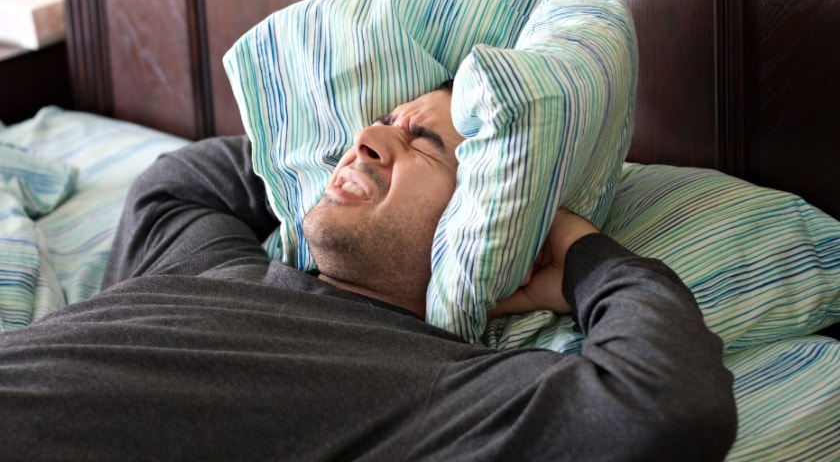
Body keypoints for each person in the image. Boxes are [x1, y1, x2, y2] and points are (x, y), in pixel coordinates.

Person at [0, 86, 737, 461]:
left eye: (426, 144)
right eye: (378, 121)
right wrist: (328, 165)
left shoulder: (438, 387)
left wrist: (575, 249)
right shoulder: (209, 260)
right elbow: (180, 182)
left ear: (488, 219)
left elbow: (667, 403)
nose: (366, 139)